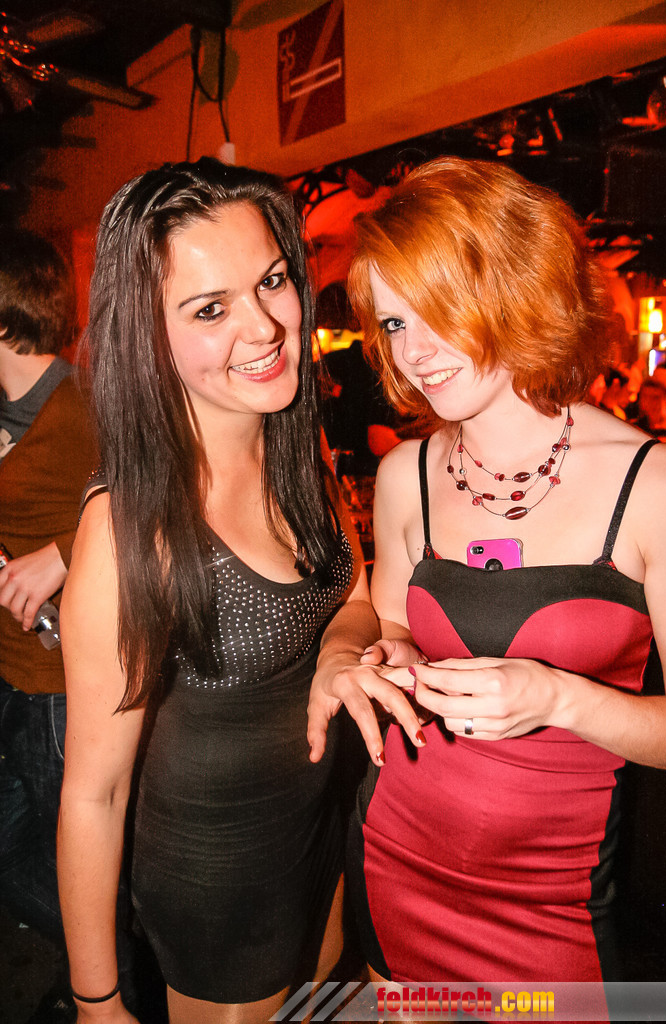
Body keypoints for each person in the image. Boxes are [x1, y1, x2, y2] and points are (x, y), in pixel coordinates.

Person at [308, 157, 666, 998]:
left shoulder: (654, 486)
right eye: (393, 322)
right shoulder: (405, 474)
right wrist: (377, 658)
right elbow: (386, 618)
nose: (414, 352)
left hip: (561, 893)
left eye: (437, 309)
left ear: (516, 286)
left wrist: (558, 698)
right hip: (396, 848)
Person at [57, 158, 379, 1024]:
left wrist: (341, 654)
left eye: (271, 280)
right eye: (210, 309)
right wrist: (97, 1004)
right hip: (219, 891)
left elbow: (352, 599)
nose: (265, 325)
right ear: (147, 335)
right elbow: (93, 794)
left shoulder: (295, 448)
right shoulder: (132, 530)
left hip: (319, 840)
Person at [0, 228, 98, 1018]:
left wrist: (66, 553)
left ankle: (101, 981)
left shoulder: (89, 402)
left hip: (63, 683)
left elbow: (179, 498)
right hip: (9, 672)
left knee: (74, 858)